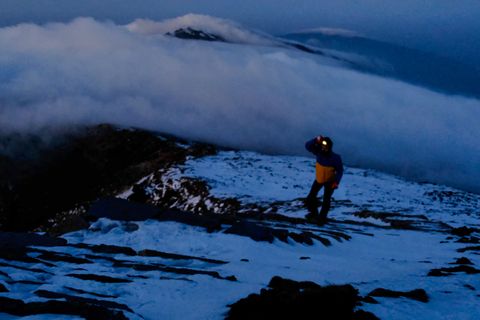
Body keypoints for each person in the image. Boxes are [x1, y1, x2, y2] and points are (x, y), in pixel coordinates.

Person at [304, 135, 343, 224]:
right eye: (322, 146)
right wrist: (316, 139)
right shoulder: (318, 152)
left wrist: (336, 182)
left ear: (330, 147)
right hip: (319, 179)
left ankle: (321, 219)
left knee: (326, 200)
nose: (323, 148)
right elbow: (307, 146)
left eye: (326, 146)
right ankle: (314, 214)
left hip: (330, 181)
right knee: (311, 197)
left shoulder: (335, 158)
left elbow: (340, 171)